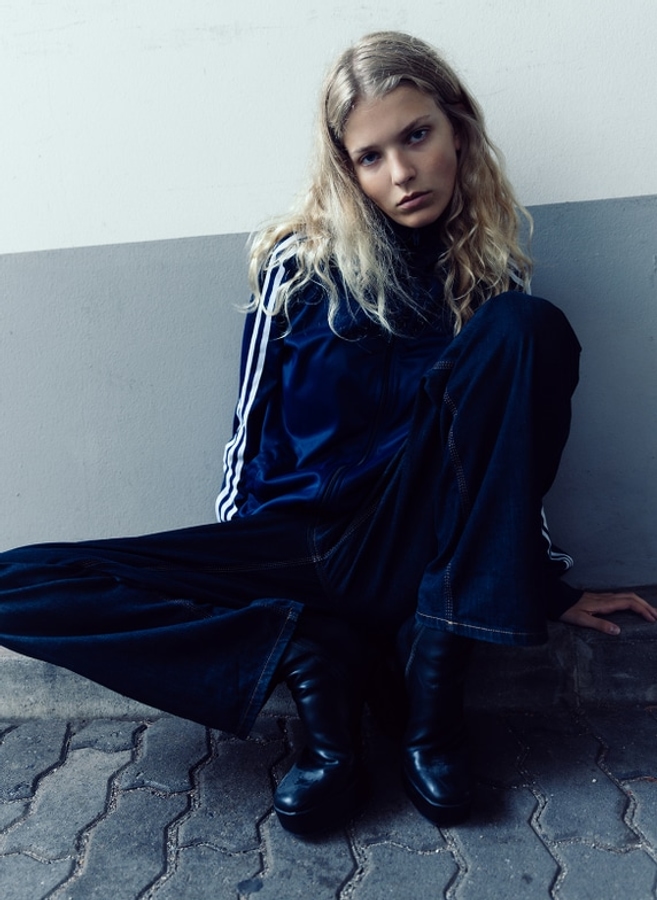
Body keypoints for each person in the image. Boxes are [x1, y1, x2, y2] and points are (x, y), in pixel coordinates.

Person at [0, 31, 655, 837]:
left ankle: (431, 702)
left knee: (526, 327)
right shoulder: (297, 263)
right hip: (303, 544)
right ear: (346, 169)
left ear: (456, 130)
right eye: (370, 156)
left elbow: (504, 459)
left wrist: (545, 581)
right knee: (16, 582)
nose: (401, 172)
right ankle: (310, 654)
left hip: (419, 541)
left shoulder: (489, 277)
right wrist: (254, 582)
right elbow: (247, 434)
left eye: (415, 136)